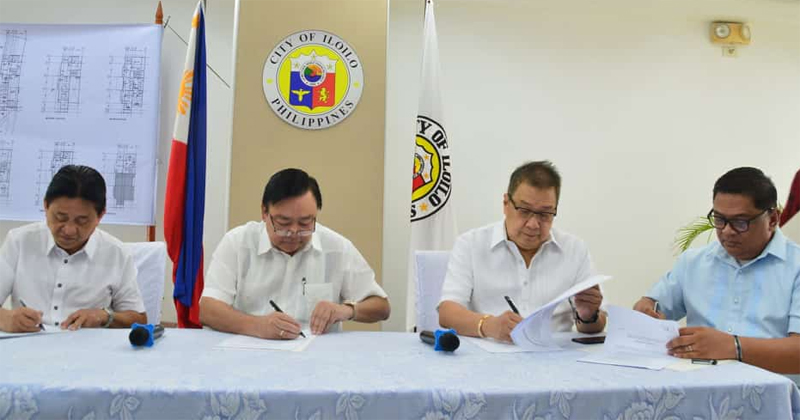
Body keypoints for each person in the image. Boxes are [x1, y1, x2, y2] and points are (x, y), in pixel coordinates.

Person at [634, 167, 800, 374]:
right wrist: (647, 309)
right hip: (699, 389)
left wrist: (734, 347)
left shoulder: (796, 267)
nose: (727, 231)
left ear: (773, 219)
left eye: (740, 222)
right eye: (720, 220)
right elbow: (653, 306)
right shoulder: (694, 262)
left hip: (776, 397)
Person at [199, 168, 390, 339]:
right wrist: (257, 325)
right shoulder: (237, 243)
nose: (294, 232)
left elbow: (381, 307)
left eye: (306, 223)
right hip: (250, 353)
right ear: (264, 212)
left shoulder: (336, 247)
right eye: (283, 223)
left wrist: (347, 310)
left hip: (317, 359)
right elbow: (208, 309)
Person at [438, 161, 605, 342]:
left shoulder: (575, 250)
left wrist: (589, 316)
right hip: (489, 357)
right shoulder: (471, 244)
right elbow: (447, 313)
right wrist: (488, 325)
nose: (533, 224)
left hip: (555, 358)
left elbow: (595, 326)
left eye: (545, 214)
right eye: (524, 211)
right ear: (506, 203)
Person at [0, 165, 147, 332]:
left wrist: (104, 317)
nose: (69, 230)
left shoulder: (116, 253)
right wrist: (6, 319)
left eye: (81, 221)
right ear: (46, 206)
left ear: (100, 216)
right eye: (60, 217)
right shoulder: (20, 241)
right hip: (25, 348)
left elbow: (139, 320)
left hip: (87, 353)